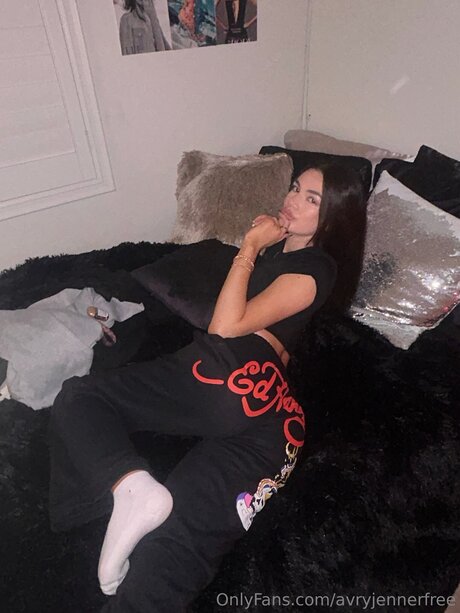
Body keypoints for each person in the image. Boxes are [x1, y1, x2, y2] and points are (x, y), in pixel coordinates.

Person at [48, 163, 367, 612]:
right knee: (183, 542)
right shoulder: (286, 263)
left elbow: (224, 326)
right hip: (276, 422)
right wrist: (258, 253)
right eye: (296, 188)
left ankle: (128, 488)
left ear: (333, 217)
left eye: (311, 199)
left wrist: (249, 247)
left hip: (228, 374)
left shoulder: (316, 267)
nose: (292, 200)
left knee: (81, 397)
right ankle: (130, 531)